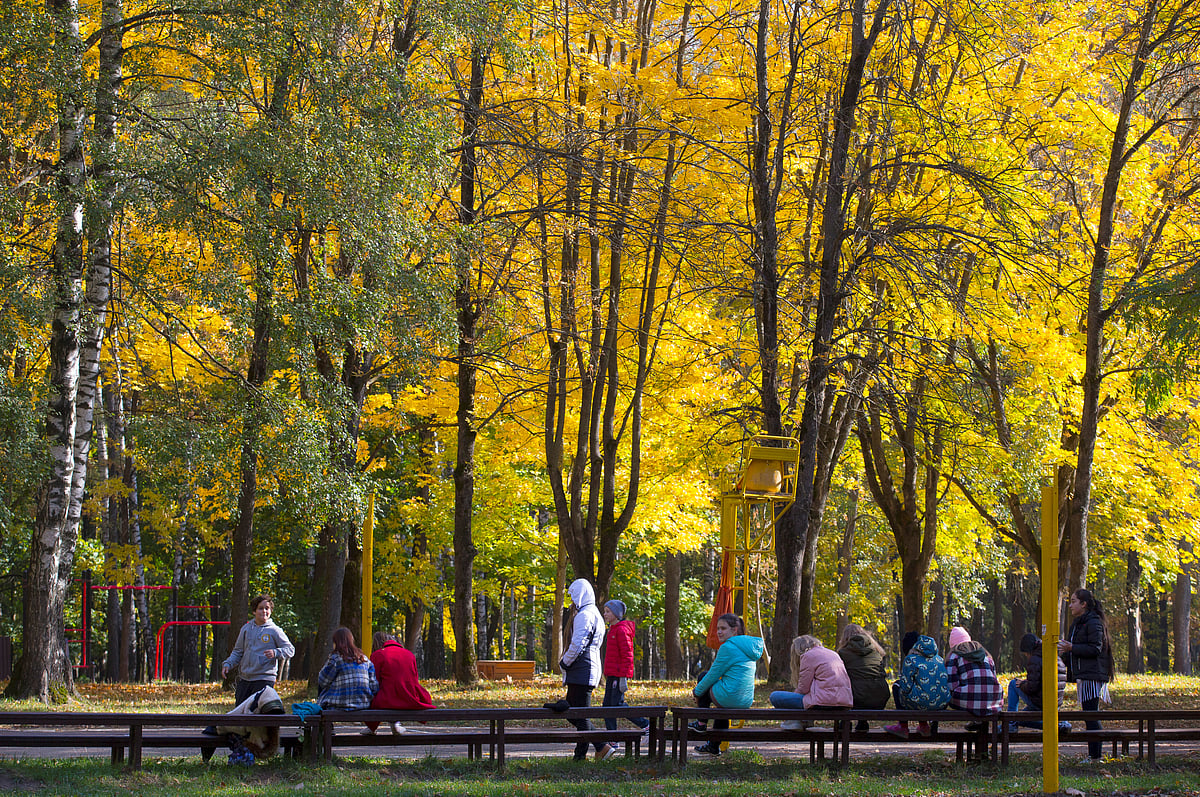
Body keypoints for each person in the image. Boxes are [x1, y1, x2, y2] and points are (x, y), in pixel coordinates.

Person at [543, 578, 609, 761]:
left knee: (577, 714)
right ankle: (597, 747)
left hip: (582, 670)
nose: (572, 600)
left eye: (574, 596)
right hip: (584, 669)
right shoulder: (592, 613)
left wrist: (565, 662)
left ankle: (593, 750)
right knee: (574, 712)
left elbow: (578, 644)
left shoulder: (585, 615)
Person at [691, 613, 764, 756]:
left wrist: (697, 692)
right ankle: (713, 746)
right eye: (718, 628)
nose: (719, 632)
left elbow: (712, 675)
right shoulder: (749, 646)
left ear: (734, 629)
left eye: (723, 628)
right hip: (745, 700)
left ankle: (701, 723)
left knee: (703, 676)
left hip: (730, 696)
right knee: (722, 703)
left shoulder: (728, 647)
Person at [1057, 587, 1114, 762]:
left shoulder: (1093, 622)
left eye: (1074, 601)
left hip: (1093, 675)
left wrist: (1071, 648)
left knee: (1091, 714)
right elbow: (1075, 649)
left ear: (1084, 604)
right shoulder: (1078, 623)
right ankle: (1094, 755)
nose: (1070, 605)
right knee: (1089, 714)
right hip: (1084, 674)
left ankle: (1096, 756)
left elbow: (1095, 648)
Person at [222, 594, 295, 705]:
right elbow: (238, 651)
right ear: (254, 611)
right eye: (261, 608)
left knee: (259, 713)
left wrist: (276, 652)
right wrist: (228, 664)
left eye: (267, 608)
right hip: (245, 678)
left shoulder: (274, 630)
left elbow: (290, 649)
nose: (264, 611)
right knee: (241, 713)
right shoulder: (246, 629)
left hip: (265, 679)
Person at [769, 635, 852, 730]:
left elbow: (803, 689)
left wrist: (794, 696)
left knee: (775, 696)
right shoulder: (833, 654)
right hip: (844, 701)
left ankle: (794, 721)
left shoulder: (808, 655)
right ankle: (799, 721)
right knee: (804, 699)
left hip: (823, 702)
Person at [599, 599, 649, 756]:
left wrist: (624, 677)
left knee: (617, 705)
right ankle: (612, 738)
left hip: (618, 674)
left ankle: (646, 725)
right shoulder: (612, 629)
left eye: (608, 611)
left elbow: (628, 655)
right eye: (605, 611)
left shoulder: (621, 630)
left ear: (616, 614)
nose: (605, 614)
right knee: (607, 705)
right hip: (612, 673)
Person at [363, 631, 435, 736]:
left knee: (377, 696)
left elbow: (375, 681)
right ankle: (395, 723)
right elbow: (414, 679)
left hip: (387, 699)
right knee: (392, 693)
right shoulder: (409, 654)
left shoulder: (378, 655)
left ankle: (372, 727)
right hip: (409, 698)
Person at [886, 632, 949, 739]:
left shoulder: (911, 659)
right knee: (923, 689)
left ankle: (903, 726)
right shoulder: (939, 659)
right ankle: (924, 726)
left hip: (921, 703)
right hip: (941, 703)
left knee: (897, 685)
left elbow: (905, 688)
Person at [1007, 632, 1070, 732]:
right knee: (1020, 719)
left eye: (1025, 654)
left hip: (1041, 702)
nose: (1026, 656)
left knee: (1013, 684)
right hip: (1055, 702)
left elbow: (1032, 688)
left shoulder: (1035, 659)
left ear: (1028, 650)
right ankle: (1060, 725)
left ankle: (1011, 725)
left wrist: (1023, 684)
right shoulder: (1055, 657)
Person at [944, 626, 1002, 730]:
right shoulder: (986, 655)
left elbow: (951, 685)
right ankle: (978, 722)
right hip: (994, 700)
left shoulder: (954, 656)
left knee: (954, 696)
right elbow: (993, 678)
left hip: (969, 700)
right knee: (979, 694)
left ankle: (977, 720)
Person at [836, 623, 891, 731]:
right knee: (862, 682)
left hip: (856, 698)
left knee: (844, 683)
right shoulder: (877, 652)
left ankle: (845, 722)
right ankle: (862, 723)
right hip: (880, 695)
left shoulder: (842, 653)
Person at [317, 627, 379, 710]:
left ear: (336, 642)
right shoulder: (365, 660)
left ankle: (320, 706)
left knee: (325, 684)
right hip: (363, 704)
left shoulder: (336, 659)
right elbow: (374, 687)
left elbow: (322, 681)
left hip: (339, 705)